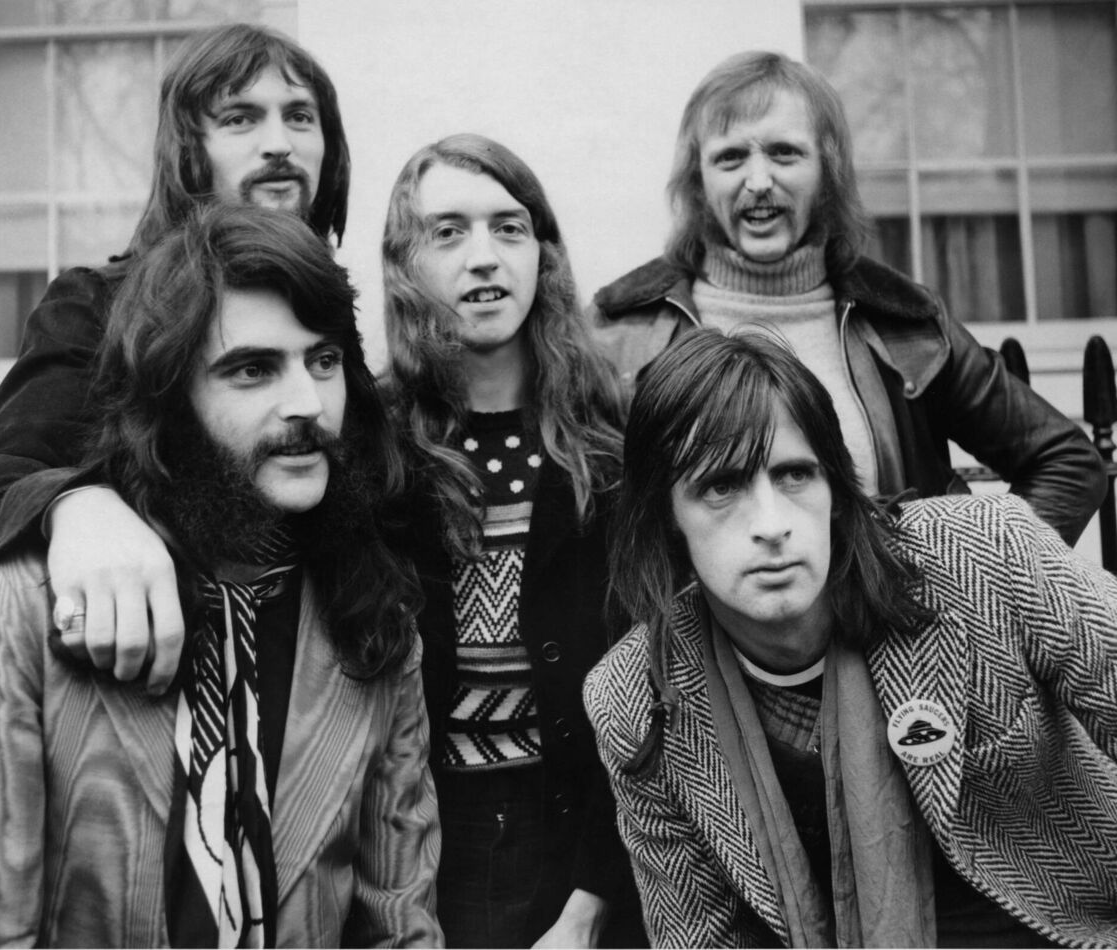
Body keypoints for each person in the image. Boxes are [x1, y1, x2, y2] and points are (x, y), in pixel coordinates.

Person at [0, 205, 442, 948]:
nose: (307, 404)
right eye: (253, 369)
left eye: (323, 361)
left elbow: (401, 927)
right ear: (168, 397)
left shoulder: (373, 623)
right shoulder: (15, 605)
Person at [584, 328, 1117, 948]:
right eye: (721, 486)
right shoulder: (634, 701)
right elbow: (700, 936)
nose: (772, 525)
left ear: (836, 490)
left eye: (794, 475)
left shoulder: (982, 552)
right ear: (667, 519)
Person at [0, 22, 351, 692]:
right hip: (143, 692)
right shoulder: (97, 306)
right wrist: (76, 505)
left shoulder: (329, 311)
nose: (280, 143)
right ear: (190, 151)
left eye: (300, 117)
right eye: (240, 118)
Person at [589, 50, 1105, 546]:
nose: (759, 181)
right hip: (698, 636)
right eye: (730, 158)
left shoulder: (907, 324)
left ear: (827, 171)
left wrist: (971, 580)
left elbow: (1067, 462)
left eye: (784, 153)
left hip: (887, 632)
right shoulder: (623, 331)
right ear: (698, 182)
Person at [381, 134, 643, 948]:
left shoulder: (616, 437)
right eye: (448, 232)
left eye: (511, 227)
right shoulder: (373, 443)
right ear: (404, 263)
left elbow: (660, 672)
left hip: (593, 829)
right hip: (430, 837)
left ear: (545, 254)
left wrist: (593, 894)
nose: (485, 258)